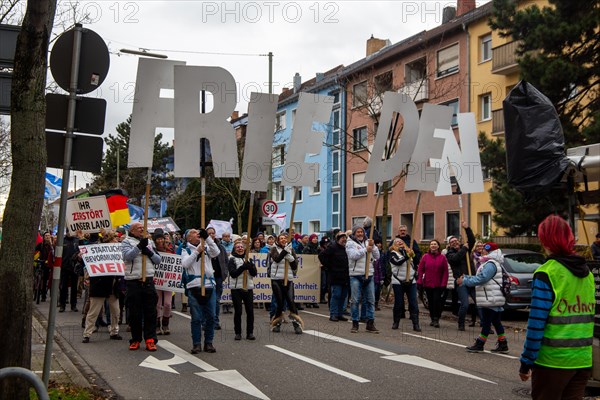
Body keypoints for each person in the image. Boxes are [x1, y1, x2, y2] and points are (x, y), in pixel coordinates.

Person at [519, 215, 594, 399]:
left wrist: (526, 361)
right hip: (582, 359)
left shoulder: (547, 273)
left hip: (553, 362)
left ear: (545, 239)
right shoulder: (588, 274)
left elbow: (537, 323)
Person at [457, 242, 508, 353]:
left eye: (484, 249)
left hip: (490, 298)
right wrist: (467, 277)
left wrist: (465, 280)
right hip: (493, 297)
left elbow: (482, 279)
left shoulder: (490, 264)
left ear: (489, 251)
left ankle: (480, 344)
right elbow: (480, 277)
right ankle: (503, 344)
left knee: (486, 323)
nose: (481, 250)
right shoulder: (493, 262)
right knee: (496, 322)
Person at [122, 222, 162, 351]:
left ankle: (150, 339)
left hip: (148, 280)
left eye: (143, 228)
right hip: (134, 281)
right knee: (135, 313)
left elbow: (158, 260)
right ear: (132, 230)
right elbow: (127, 256)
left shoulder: (149, 243)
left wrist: (149, 252)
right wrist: (139, 247)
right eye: (139, 228)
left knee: (151, 312)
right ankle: (135, 339)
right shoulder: (126, 242)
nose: (142, 230)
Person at [182, 228, 220, 354]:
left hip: (209, 285)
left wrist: (208, 238)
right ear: (188, 238)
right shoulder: (185, 250)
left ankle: (209, 342)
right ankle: (196, 343)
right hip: (194, 287)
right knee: (196, 318)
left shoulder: (206, 247)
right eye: (193, 232)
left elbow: (216, 252)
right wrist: (196, 252)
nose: (196, 233)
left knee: (211, 317)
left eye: (198, 232)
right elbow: (185, 264)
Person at [82, 231, 123, 343]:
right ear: (109, 240)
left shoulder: (118, 251)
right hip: (99, 284)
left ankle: (114, 331)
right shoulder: (96, 250)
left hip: (113, 285)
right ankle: (87, 334)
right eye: (115, 238)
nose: (117, 240)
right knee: (93, 311)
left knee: (116, 311)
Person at [346, 226, 380, 333]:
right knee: (355, 300)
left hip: (369, 274)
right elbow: (353, 256)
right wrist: (365, 250)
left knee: (371, 300)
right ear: (354, 233)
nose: (360, 234)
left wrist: (373, 246)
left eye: (362, 232)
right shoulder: (350, 243)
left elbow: (377, 256)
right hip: (356, 275)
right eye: (358, 232)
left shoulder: (368, 242)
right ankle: (355, 323)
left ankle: (370, 323)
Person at [268, 233, 304, 334]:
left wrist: (289, 256)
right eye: (281, 238)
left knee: (291, 302)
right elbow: (277, 259)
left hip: (288, 279)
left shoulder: (291, 249)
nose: (283, 240)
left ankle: (297, 324)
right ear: (278, 240)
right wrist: (285, 252)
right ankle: (277, 324)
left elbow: (295, 265)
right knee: (279, 303)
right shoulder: (273, 248)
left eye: (285, 238)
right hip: (276, 279)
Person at [445, 221, 476, 331]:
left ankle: (482, 323)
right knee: (465, 304)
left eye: (456, 240)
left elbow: (472, 240)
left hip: (472, 279)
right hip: (461, 281)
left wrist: (467, 228)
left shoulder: (466, 248)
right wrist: (464, 249)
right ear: (449, 244)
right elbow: (456, 258)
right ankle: (461, 323)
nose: (454, 242)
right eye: (452, 242)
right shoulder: (449, 253)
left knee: (479, 302)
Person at [389, 238, 421, 332]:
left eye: (401, 241)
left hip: (411, 280)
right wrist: (407, 255)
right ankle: (396, 322)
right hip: (398, 281)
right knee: (399, 303)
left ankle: (416, 324)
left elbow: (416, 262)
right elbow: (398, 262)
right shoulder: (393, 254)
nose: (400, 242)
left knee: (413, 303)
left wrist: (413, 255)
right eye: (397, 242)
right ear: (394, 245)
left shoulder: (409, 252)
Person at [227, 241, 257, 340]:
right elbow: (233, 274)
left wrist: (251, 267)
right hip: (236, 289)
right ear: (234, 249)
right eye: (237, 247)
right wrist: (242, 268)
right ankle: (238, 332)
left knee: (250, 311)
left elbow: (254, 274)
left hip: (248, 288)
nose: (240, 248)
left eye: (241, 247)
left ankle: (250, 333)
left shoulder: (249, 259)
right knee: (238, 311)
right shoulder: (232, 259)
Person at [417, 239, 448, 328]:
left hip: (438, 284)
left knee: (436, 301)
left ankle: (436, 319)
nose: (433, 246)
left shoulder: (442, 258)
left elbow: (445, 272)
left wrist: (444, 283)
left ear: (438, 246)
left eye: (435, 244)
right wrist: (419, 280)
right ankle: (432, 318)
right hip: (428, 283)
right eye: (431, 244)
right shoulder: (425, 257)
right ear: (430, 246)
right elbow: (420, 269)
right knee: (430, 302)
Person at [318, 232, 349, 322]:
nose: (344, 239)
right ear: (338, 239)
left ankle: (340, 314)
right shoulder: (333, 247)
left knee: (343, 296)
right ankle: (333, 314)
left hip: (345, 275)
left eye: (345, 238)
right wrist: (328, 266)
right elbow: (321, 256)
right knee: (336, 295)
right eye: (342, 238)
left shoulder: (346, 248)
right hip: (335, 276)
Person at [206, 227, 229, 329]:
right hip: (207, 278)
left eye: (213, 233)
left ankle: (215, 321)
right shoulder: (204, 246)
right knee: (207, 300)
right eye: (209, 233)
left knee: (216, 300)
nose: (211, 235)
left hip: (218, 277)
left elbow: (226, 261)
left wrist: (225, 273)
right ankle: (206, 321)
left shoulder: (220, 247)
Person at [153, 228, 173, 335]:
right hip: (157, 280)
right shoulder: (152, 251)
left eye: (161, 238)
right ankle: (157, 325)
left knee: (167, 304)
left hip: (168, 280)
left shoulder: (169, 250)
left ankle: (165, 323)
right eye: (158, 239)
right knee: (157, 304)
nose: (160, 241)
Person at [59, 229, 83, 312]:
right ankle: (62, 305)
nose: (70, 234)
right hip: (64, 267)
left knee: (74, 287)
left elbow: (82, 249)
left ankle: (73, 305)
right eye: (68, 232)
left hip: (74, 267)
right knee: (63, 287)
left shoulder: (77, 241)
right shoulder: (62, 241)